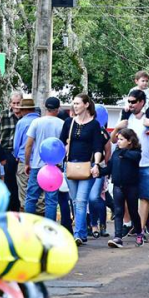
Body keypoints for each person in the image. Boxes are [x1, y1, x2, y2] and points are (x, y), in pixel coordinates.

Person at [111, 89, 149, 240]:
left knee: (144, 197)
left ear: (141, 103)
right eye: (128, 101)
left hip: (146, 163)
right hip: (127, 164)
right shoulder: (125, 117)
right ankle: (129, 224)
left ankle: (140, 231)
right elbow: (113, 140)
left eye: (133, 102)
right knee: (127, 197)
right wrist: (118, 127)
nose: (130, 104)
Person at [59, 94, 103, 245]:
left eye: (77, 103)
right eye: (74, 104)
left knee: (81, 200)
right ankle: (82, 233)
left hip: (87, 167)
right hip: (70, 166)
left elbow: (98, 147)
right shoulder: (68, 122)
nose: (75, 106)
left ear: (86, 105)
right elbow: (60, 142)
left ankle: (77, 234)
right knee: (75, 201)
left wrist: (96, 164)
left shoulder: (94, 125)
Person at [94, 129, 143, 248]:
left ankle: (139, 233)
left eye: (121, 140)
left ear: (130, 141)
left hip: (132, 187)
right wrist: (98, 172)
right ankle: (118, 237)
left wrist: (123, 152)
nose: (118, 142)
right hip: (117, 186)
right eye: (118, 139)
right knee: (118, 211)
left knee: (133, 211)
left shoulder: (135, 153)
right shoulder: (116, 153)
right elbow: (109, 169)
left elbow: (134, 157)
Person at [23, 97, 64, 222]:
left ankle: (29, 226)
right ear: (58, 109)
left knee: (31, 197)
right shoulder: (62, 124)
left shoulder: (36, 122)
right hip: (54, 168)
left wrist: (26, 163)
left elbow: (28, 145)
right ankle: (49, 228)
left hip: (37, 165)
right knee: (51, 201)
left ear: (46, 107)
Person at [0, 91, 23, 211]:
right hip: (7, 151)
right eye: (14, 103)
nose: (16, 106)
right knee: (9, 181)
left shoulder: (26, 116)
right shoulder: (3, 115)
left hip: (22, 153)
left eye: (18, 103)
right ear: (10, 103)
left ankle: (19, 207)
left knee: (21, 182)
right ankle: (9, 208)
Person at [13, 98, 40, 209]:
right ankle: (40, 216)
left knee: (24, 191)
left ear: (24, 110)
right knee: (40, 192)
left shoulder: (22, 122)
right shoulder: (40, 121)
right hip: (40, 161)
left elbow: (16, 144)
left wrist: (16, 156)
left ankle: (26, 216)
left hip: (24, 160)